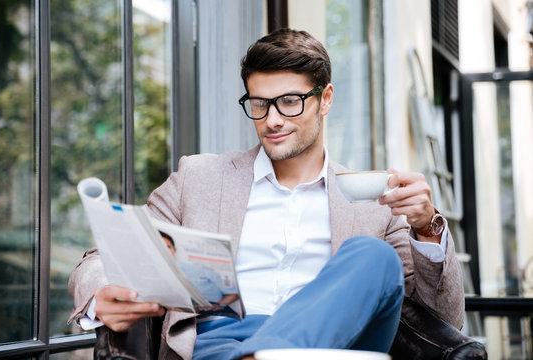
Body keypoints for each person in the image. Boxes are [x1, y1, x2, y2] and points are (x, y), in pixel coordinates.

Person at [68, 28, 464, 360]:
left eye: (289, 102)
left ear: (324, 100)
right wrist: (103, 292)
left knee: (373, 257)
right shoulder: (200, 177)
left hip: (332, 349)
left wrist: (426, 227)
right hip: (218, 344)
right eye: (259, 104)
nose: (272, 120)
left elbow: (445, 322)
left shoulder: (378, 202)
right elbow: (103, 256)